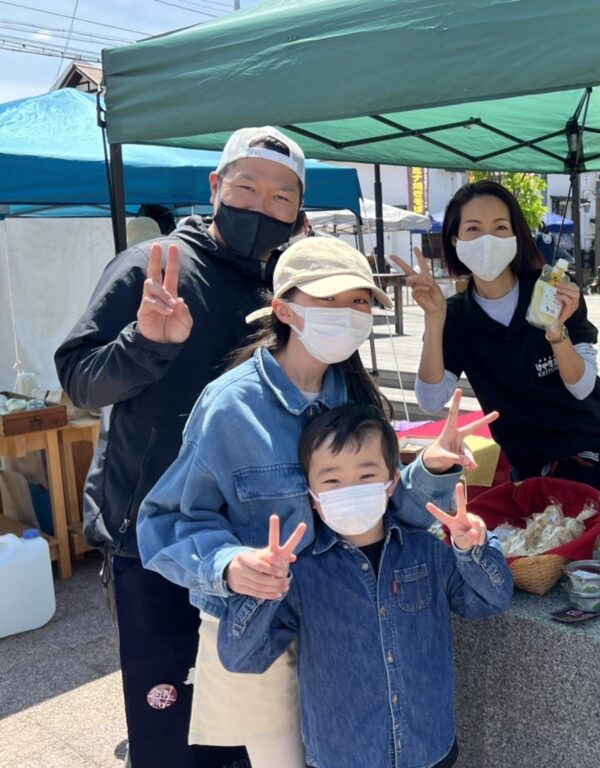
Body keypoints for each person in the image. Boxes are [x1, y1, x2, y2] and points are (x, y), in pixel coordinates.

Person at [137, 238, 491, 767]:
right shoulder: (230, 407)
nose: (348, 313)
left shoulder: (354, 395)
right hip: (263, 625)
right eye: (329, 299)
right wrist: (230, 565)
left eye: (359, 301)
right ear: (284, 309)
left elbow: (386, 512)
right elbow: (163, 521)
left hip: (348, 624)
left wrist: (431, 470)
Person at [55, 126, 310, 768]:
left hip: (248, 543)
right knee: (172, 729)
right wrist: (145, 344)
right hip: (155, 541)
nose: (261, 206)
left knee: (247, 725)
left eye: (281, 197)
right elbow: (79, 381)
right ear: (215, 186)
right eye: (246, 188)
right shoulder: (155, 265)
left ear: (298, 211)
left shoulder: (281, 286)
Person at [217, 403, 513, 768]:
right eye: (332, 481)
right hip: (342, 756)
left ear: (392, 482)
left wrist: (472, 550)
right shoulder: (299, 572)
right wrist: (264, 587)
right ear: (311, 494)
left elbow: (489, 601)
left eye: (366, 475)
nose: (350, 489)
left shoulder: (428, 550)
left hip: (429, 750)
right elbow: (241, 657)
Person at [395, 179, 600, 537]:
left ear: (515, 236)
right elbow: (430, 399)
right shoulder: (455, 315)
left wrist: (556, 331)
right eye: (473, 229)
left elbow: (582, 386)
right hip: (535, 476)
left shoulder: (554, 288)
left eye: (500, 227)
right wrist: (434, 319)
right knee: (556, 567)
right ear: (455, 242)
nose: (488, 239)